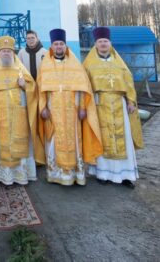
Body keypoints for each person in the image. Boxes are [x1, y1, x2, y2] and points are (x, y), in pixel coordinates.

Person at [37, 29, 103, 186]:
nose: (58, 46)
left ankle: (75, 174)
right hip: (53, 110)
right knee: (53, 140)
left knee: (74, 139)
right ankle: (55, 174)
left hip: (72, 109)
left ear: (65, 46)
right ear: (51, 46)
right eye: (56, 44)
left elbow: (82, 87)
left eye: (61, 44)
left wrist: (82, 107)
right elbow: (40, 89)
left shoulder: (75, 64)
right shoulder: (45, 65)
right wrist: (42, 107)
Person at [83, 27, 144, 188]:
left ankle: (126, 175)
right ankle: (103, 173)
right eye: (100, 41)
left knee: (122, 137)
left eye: (106, 41)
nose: (103, 44)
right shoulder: (89, 64)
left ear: (110, 43)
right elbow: (84, 85)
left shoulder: (119, 63)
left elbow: (128, 81)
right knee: (101, 137)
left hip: (119, 104)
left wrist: (131, 101)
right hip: (99, 104)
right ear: (95, 44)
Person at [0, 36, 44, 185]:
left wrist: (24, 86)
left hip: (18, 116)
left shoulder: (20, 69)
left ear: (13, 52)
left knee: (19, 141)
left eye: (9, 51)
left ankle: (19, 172)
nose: (6, 53)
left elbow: (32, 90)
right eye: (3, 51)